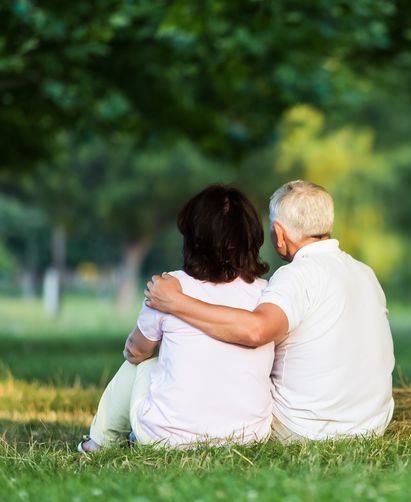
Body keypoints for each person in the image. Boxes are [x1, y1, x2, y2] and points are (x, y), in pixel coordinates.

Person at [146, 180, 394, 443]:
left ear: (279, 233)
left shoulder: (296, 275)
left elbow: (255, 331)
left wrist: (175, 302)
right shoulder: (365, 273)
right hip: (372, 423)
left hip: (306, 428)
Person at [78, 185, 273, 452]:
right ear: (251, 237)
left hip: (168, 438)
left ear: (193, 238)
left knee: (143, 363)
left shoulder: (170, 288)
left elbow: (135, 352)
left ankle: (99, 443)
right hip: (249, 436)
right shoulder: (266, 294)